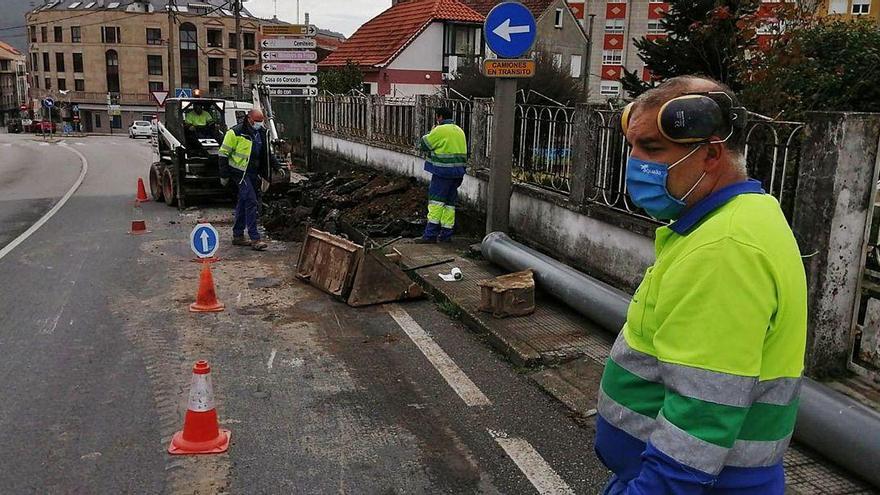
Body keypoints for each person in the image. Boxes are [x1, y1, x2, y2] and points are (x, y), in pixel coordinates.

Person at [595, 76, 807, 495]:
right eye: (632, 147)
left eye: (652, 149)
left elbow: (703, 412)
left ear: (711, 154)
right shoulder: (735, 219)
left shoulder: (725, 248)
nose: (635, 162)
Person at [218, 109, 280, 251]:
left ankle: (238, 235)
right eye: (257, 121)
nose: (259, 124)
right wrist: (224, 175)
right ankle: (255, 238)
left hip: (253, 172)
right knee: (252, 201)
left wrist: (276, 166)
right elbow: (223, 155)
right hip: (240, 173)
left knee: (243, 202)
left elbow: (266, 153)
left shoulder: (261, 133)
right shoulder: (235, 133)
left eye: (260, 121)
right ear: (249, 119)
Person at [415, 107, 468, 243]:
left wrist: (432, 130)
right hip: (458, 173)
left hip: (442, 172)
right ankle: (446, 235)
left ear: (439, 117)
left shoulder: (439, 130)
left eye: (437, 117)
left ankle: (430, 235)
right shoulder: (459, 130)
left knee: (436, 202)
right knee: (449, 204)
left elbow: (424, 144)